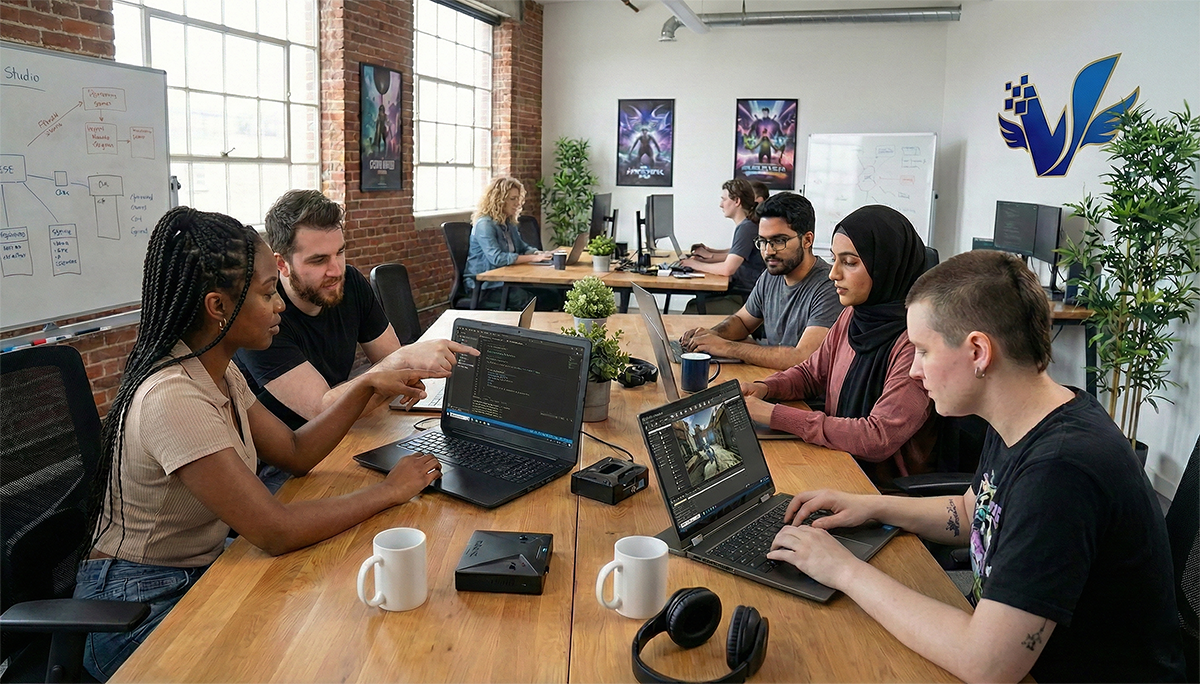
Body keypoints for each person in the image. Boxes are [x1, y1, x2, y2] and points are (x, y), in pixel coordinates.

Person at [766, 250, 1187, 684]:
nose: (912, 370)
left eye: (923, 350)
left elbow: (986, 664)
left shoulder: (1060, 471)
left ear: (979, 352)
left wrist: (844, 570)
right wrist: (873, 506)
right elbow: (974, 512)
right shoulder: (1027, 413)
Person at [72, 207, 447, 681]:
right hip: (137, 601)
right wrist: (389, 491)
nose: (280, 306)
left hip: (202, 568)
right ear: (217, 307)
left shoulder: (217, 368)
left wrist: (366, 388)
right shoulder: (173, 397)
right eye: (269, 293)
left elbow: (294, 452)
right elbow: (275, 531)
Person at [235, 190, 476, 434]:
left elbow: (397, 373)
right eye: (318, 260)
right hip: (286, 455)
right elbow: (321, 410)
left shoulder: (349, 281)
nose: (335, 270)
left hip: (344, 432)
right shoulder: (261, 314)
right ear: (281, 264)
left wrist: (398, 369)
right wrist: (402, 360)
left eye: (339, 252)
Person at [739, 204, 936, 487]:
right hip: (839, 460)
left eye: (850, 262)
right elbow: (811, 374)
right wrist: (765, 387)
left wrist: (774, 414)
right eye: (833, 260)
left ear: (886, 265)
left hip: (882, 491)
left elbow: (877, 437)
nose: (833, 273)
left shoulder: (915, 341)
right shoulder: (853, 315)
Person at [680, 192, 842, 370]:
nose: (768, 251)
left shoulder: (829, 287)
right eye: (763, 241)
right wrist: (712, 335)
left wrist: (726, 347)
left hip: (804, 395)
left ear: (807, 240)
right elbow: (741, 322)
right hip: (773, 379)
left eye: (779, 241)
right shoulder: (770, 276)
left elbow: (802, 358)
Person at [462, 176, 564, 311]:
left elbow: (522, 247)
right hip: (486, 287)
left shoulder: (508, 222)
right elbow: (497, 258)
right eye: (512, 199)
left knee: (554, 295)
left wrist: (540, 254)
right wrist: (533, 258)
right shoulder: (485, 224)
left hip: (506, 281)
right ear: (498, 200)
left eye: (518, 198)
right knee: (535, 302)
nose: (517, 203)